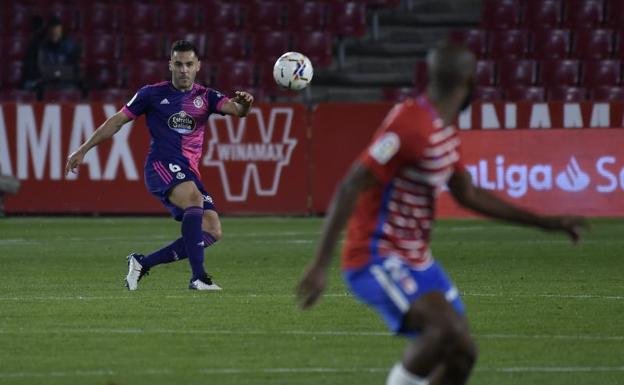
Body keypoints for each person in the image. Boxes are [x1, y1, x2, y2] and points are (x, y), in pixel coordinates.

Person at [296, 42, 587, 385]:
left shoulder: (442, 130)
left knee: (463, 353)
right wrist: (319, 264)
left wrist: (546, 223)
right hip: (376, 255)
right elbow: (351, 184)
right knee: (444, 328)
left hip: (418, 260)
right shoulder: (409, 124)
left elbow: (469, 194)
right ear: (469, 81)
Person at [65, 40, 254, 291]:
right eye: (178, 64)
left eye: (189, 64)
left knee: (211, 229)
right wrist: (83, 149)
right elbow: (117, 121)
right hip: (161, 166)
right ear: (170, 65)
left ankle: (143, 263)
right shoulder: (151, 94)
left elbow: (237, 110)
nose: (184, 69)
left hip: (188, 172)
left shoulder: (206, 96)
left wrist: (246, 103)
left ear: (198, 66)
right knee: (194, 200)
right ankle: (199, 277)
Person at [23, 17, 81, 92]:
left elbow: (72, 71)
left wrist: (54, 73)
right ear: (47, 32)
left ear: (61, 32)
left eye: (57, 33)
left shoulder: (71, 46)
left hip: (63, 82)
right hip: (41, 81)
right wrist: (51, 73)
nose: (54, 35)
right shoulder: (36, 46)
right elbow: (30, 70)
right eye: (52, 33)